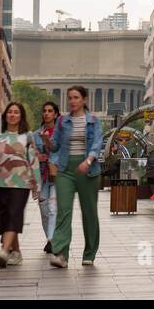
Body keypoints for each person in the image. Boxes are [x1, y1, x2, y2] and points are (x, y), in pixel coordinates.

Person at [48, 85, 103, 269]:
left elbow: (97, 143)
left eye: (76, 97)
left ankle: (89, 253)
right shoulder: (62, 121)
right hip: (65, 170)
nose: (72, 101)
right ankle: (61, 254)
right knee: (63, 211)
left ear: (84, 100)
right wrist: (47, 141)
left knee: (89, 213)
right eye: (70, 97)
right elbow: (55, 146)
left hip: (88, 170)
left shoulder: (94, 121)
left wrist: (88, 161)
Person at [0, 102, 41, 267]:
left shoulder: (27, 137)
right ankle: (17, 252)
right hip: (0, 182)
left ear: (21, 116)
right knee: (5, 218)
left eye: (16, 112)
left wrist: (37, 186)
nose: (13, 115)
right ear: (6, 115)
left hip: (21, 183)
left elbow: (34, 161)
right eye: (10, 112)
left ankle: (4, 251)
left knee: (14, 215)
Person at [34, 101, 60, 252]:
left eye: (50, 111)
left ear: (55, 114)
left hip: (57, 177)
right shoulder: (36, 134)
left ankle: (54, 240)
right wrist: (37, 156)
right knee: (44, 210)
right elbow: (29, 153)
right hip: (42, 177)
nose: (47, 113)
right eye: (44, 111)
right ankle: (49, 238)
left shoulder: (61, 134)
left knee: (53, 209)